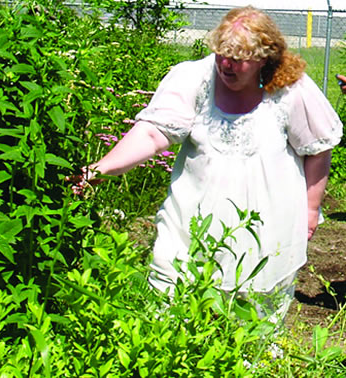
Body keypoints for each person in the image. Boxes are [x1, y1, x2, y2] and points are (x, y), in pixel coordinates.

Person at [69, 6, 343, 321]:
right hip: (190, 231)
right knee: (170, 319)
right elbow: (151, 134)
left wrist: (309, 210)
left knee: (253, 332)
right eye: (221, 53)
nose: (226, 64)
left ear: (263, 59)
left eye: (238, 58)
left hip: (267, 235)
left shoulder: (290, 89)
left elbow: (318, 148)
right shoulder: (193, 79)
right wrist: (99, 169)